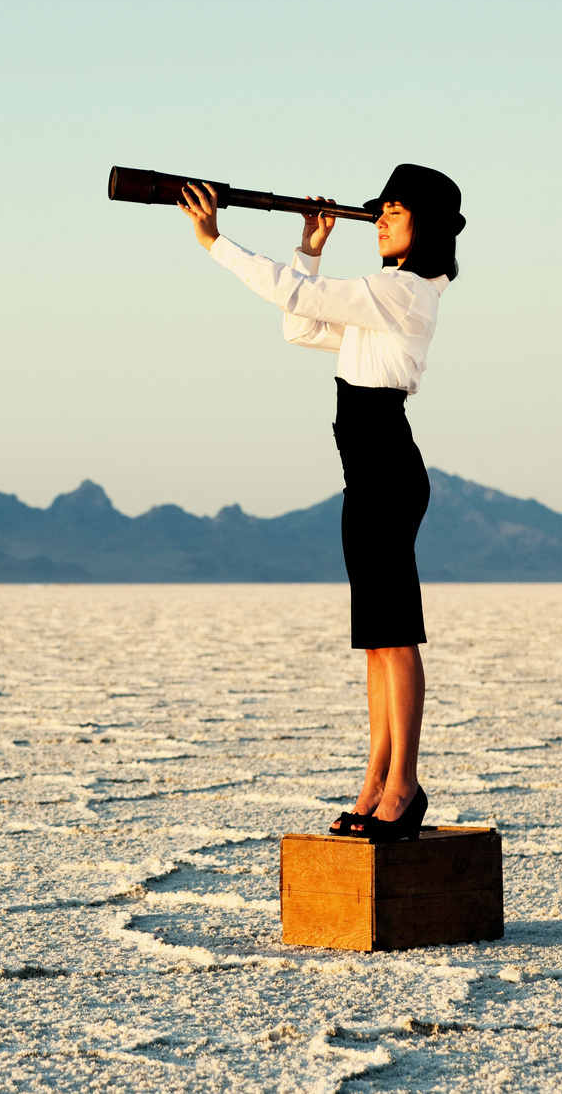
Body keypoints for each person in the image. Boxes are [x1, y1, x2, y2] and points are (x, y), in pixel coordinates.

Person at [177, 165, 465, 842]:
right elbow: (301, 327)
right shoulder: (381, 299)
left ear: (425, 226)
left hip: (388, 469)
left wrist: (215, 241)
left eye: (396, 211)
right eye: (382, 210)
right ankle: (373, 782)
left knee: (394, 636)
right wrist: (311, 245)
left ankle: (403, 787)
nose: (383, 219)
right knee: (375, 642)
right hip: (365, 472)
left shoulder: (404, 290)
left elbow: (290, 293)